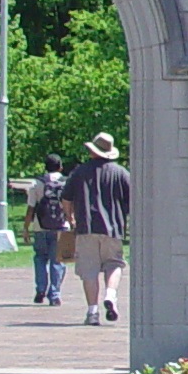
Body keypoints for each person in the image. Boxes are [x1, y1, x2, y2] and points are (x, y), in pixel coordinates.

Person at [63, 132, 132, 328]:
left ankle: (92, 311)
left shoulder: (79, 172)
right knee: (114, 263)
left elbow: (66, 199)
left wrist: (70, 218)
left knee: (89, 270)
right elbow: (133, 198)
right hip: (113, 228)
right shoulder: (120, 173)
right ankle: (111, 294)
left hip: (86, 227)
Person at [23, 152, 69, 308]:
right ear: (60, 167)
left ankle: (40, 289)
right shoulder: (66, 183)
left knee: (40, 258)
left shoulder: (36, 184)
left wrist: (25, 228)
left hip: (39, 226)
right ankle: (55, 295)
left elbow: (31, 208)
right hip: (61, 227)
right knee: (57, 261)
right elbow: (70, 207)